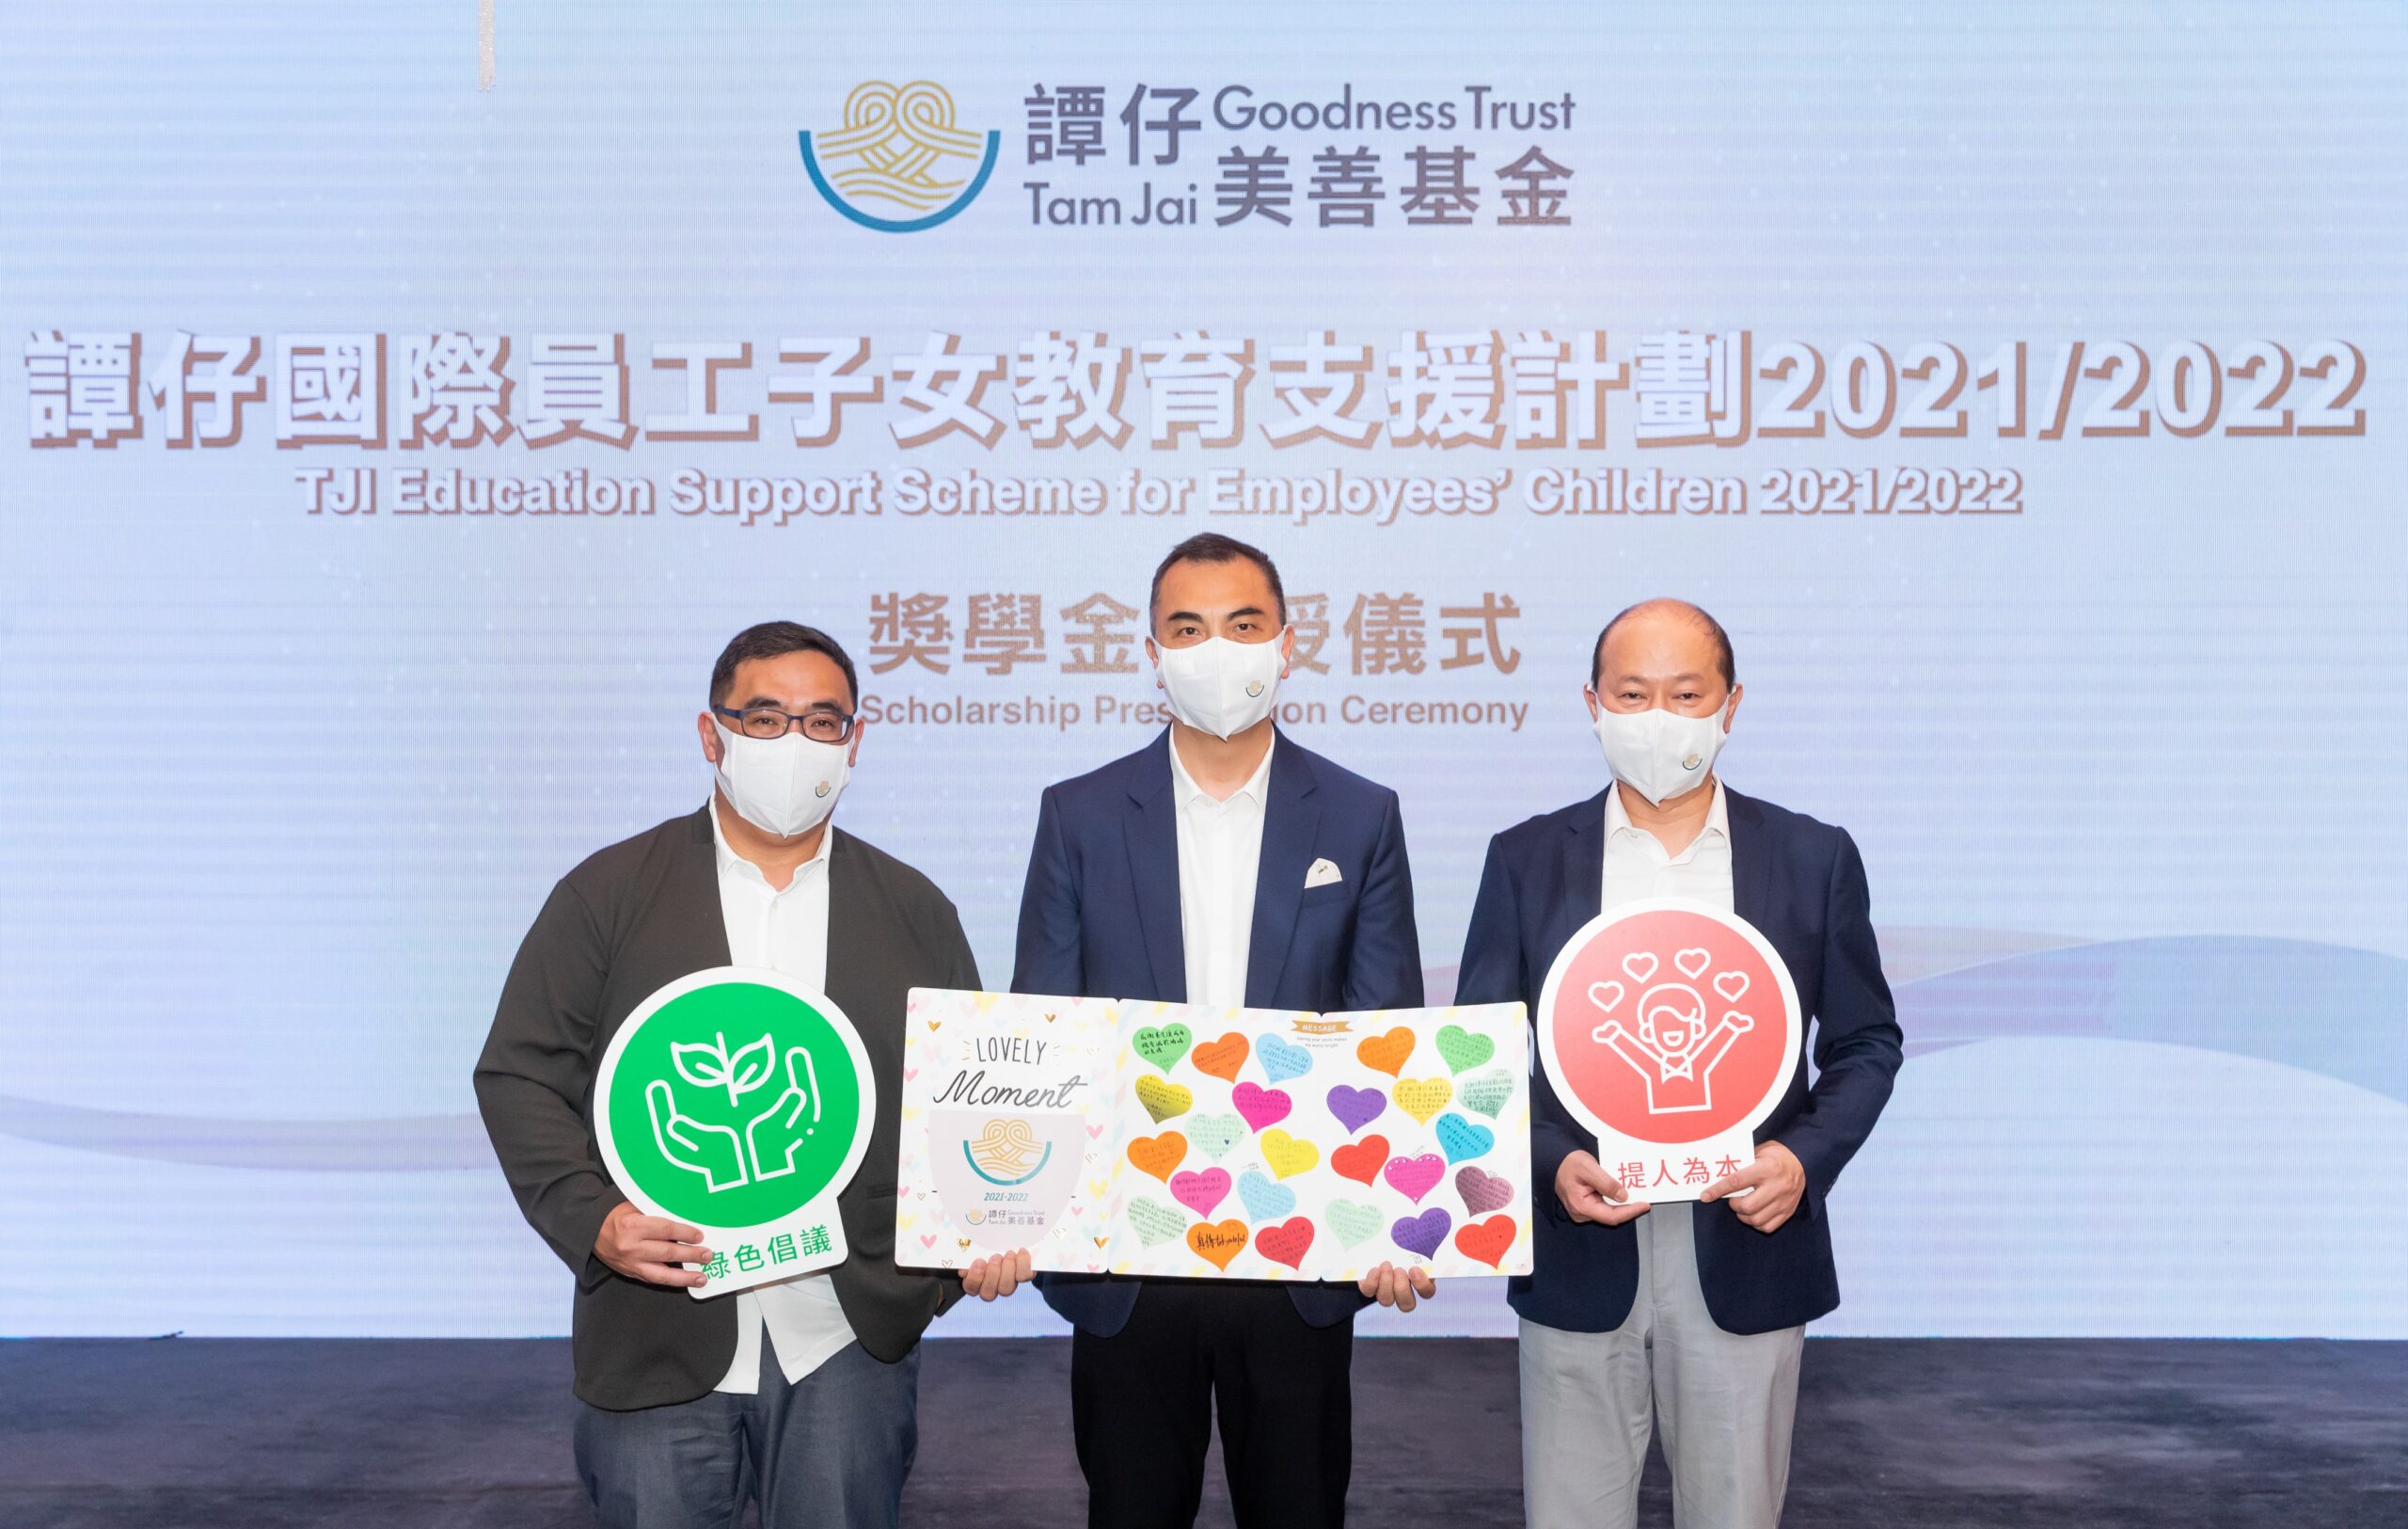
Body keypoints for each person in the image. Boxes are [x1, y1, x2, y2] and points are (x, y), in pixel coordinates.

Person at [474, 620, 1031, 1529]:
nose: (794, 742)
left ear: (855, 740)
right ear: (713, 734)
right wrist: (594, 1219)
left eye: (823, 721)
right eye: (765, 718)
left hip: (847, 1333)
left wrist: (975, 1238)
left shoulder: (914, 907)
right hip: (657, 1330)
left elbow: (966, 1098)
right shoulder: (609, 892)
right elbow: (519, 1073)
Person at [1011, 534, 1433, 1529]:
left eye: (1243, 626)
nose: (1217, 652)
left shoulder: (1360, 816)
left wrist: (1396, 1222)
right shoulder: (1077, 815)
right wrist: (1010, 1214)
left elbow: (1388, 1034)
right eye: (1188, 629)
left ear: (1287, 642)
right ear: (1152, 652)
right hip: (1127, 1256)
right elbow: (1041, 1033)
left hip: (1299, 1252)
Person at [1456, 598, 1902, 1529]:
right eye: (1633, 693)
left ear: (1730, 705)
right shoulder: (1525, 860)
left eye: (1686, 693)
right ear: (1592, 704)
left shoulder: (1812, 857)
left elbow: (1865, 1042)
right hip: (1580, 1244)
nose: (1658, 717)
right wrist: (1549, 1162)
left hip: (1745, 1243)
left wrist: (1801, 1159)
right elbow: (1474, 1055)